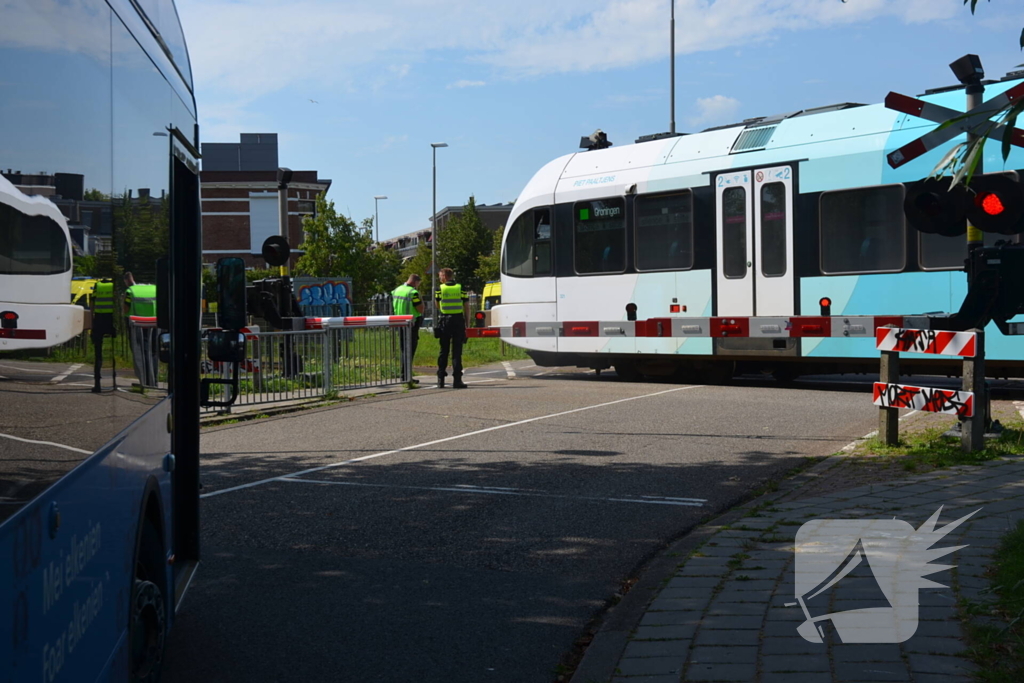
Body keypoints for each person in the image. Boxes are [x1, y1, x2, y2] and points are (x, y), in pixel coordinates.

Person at [434, 267, 470, 389]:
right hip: (458, 321)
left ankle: (441, 380)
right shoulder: (460, 288)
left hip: (445, 320)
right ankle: (457, 380)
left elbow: (437, 305)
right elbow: (466, 307)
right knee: (457, 351)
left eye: (440, 276)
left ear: (444, 276)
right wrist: (467, 324)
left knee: (443, 350)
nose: (439, 278)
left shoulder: (440, 289)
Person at [123, 271, 159, 387]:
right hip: (155, 325)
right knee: (153, 352)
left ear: (129, 281)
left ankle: (144, 381)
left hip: (137, 325)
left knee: (141, 353)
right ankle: (154, 380)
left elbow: (125, 308)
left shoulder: (130, 291)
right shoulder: (155, 289)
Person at [391, 273, 424, 383]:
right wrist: (421, 298)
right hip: (411, 323)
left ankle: (403, 375)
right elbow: (420, 309)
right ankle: (406, 376)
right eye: (418, 284)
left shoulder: (397, 290)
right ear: (415, 282)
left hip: (399, 323)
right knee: (409, 350)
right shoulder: (413, 293)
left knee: (403, 350)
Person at [89, 277, 116, 393]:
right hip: (111, 320)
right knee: (113, 351)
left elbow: (92, 302)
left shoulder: (97, 285)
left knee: (98, 353)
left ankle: (97, 384)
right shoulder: (114, 286)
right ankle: (114, 382)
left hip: (99, 320)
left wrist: (91, 320)